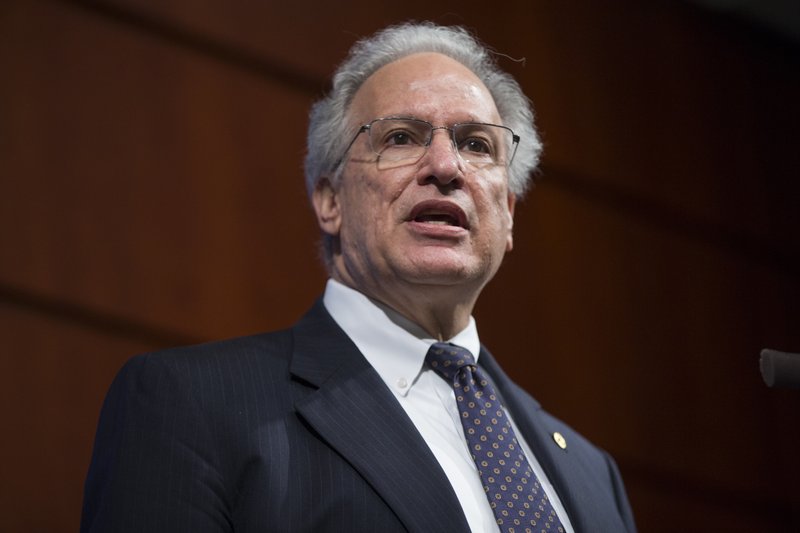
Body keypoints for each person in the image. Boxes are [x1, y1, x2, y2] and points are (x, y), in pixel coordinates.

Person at [81, 22, 636, 533]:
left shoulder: (593, 475)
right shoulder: (191, 405)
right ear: (329, 200)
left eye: (476, 144)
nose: (446, 167)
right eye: (400, 137)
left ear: (509, 214)